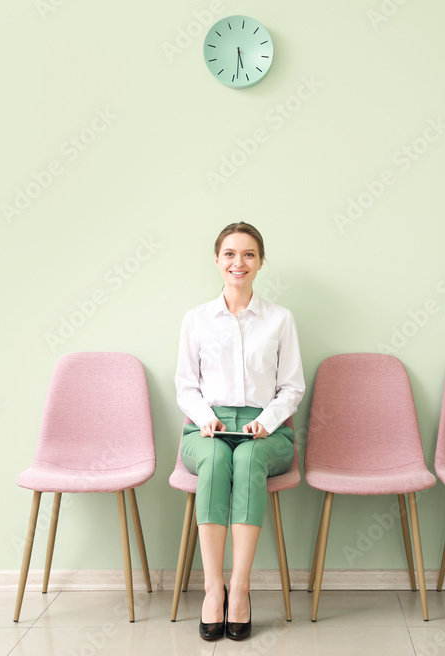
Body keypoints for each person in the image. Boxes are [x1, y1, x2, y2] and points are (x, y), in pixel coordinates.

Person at [174, 222, 305, 641]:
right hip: (206, 428)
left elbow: (291, 387)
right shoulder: (195, 320)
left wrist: (264, 422)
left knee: (246, 460)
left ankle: (241, 590)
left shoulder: (280, 319)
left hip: (265, 432)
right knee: (215, 460)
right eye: (230, 254)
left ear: (260, 262)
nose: (238, 262)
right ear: (217, 261)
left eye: (248, 254)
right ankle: (214, 589)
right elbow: (185, 385)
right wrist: (204, 416)